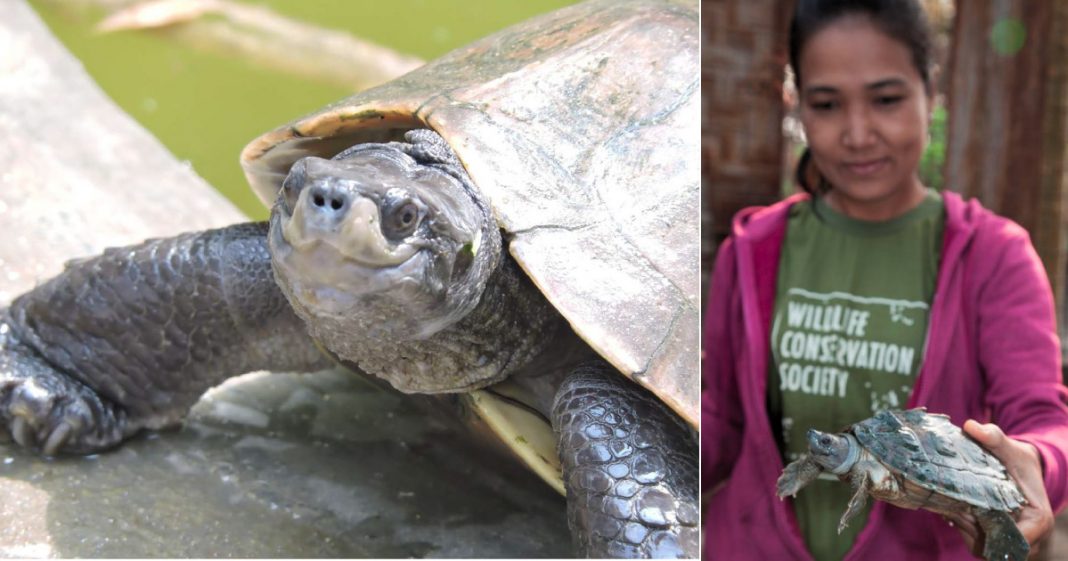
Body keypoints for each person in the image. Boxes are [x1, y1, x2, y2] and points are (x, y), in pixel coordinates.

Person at [702, 0, 1068, 559]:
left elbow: (1044, 420)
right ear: (797, 104)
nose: (857, 133)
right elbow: (719, 420)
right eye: (826, 104)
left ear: (931, 90)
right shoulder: (750, 251)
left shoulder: (995, 256)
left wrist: (1037, 462)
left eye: (886, 99)